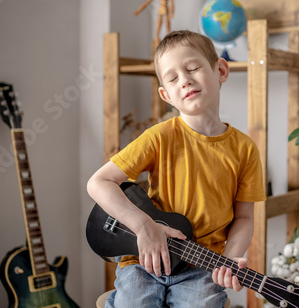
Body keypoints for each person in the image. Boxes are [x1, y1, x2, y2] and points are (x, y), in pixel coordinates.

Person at [87, 30, 266, 307]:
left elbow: (244, 218)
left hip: (202, 263)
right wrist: (144, 225)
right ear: (166, 95)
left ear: (220, 70)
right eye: (173, 78)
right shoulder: (159, 137)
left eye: (193, 68)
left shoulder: (245, 149)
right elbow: (98, 182)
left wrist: (230, 258)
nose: (185, 80)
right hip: (145, 259)